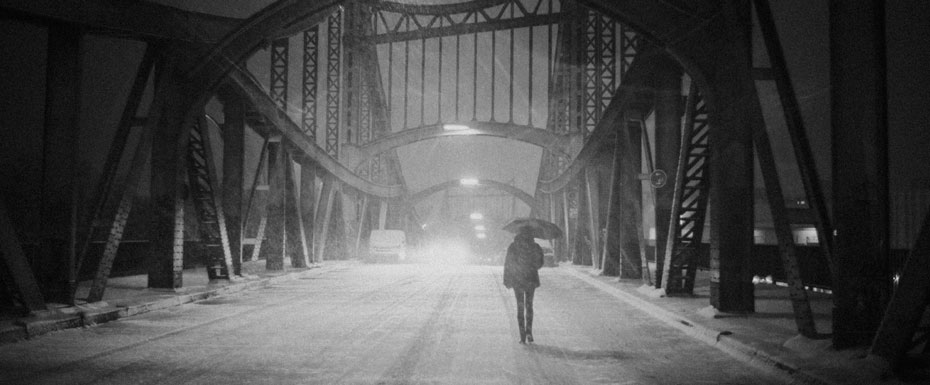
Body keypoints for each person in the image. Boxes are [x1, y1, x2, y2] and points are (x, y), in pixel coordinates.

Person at [503, 227, 545, 344]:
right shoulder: (535, 247)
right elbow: (540, 262)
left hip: (518, 280)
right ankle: (529, 332)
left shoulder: (513, 246)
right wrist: (532, 267)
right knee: (529, 306)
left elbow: (508, 263)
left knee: (520, 307)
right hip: (531, 279)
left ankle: (522, 335)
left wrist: (507, 280)